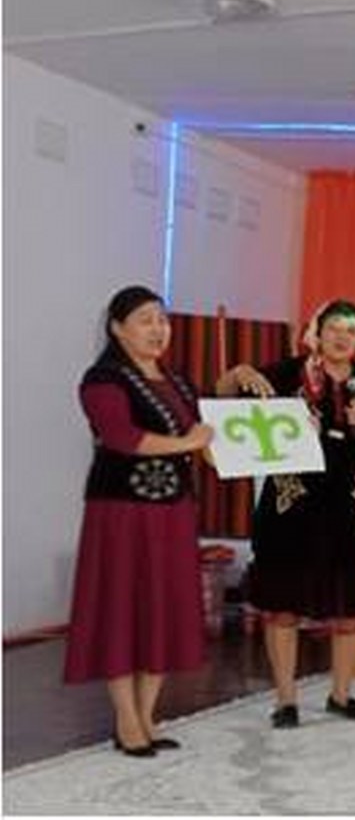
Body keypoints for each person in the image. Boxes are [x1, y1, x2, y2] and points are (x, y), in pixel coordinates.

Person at [218, 299, 355, 729]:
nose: (342, 337)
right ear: (317, 332)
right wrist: (238, 373)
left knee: (349, 607)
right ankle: (286, 700)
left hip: (348, 505)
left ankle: (341, 695)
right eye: (334, 328)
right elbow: (225, 397)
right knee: (283, 604)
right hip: (290, 503)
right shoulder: (287, 372)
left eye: (351, 331)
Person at [65, 286, 213, 757]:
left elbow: (204, 438)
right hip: (122, 512)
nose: (158, 329)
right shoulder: (103, 379)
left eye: (162, 320)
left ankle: (148, 715)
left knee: (162, 609)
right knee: (122, 609)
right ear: (117, 328)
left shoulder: (179, 382)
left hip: (173, 510)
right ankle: (126, 720)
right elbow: (123, 438)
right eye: (146, 320)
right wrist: (189, 443)